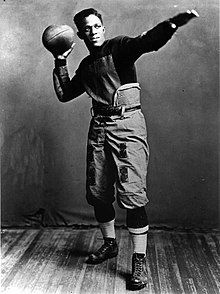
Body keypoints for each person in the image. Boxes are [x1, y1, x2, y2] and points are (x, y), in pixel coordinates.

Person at [52, 7, 198, 290]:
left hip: (128, 125)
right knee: (99, 193)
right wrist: (60, 62)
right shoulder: (84, 66)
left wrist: (172, 24)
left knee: (133, 196)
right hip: (99, 129)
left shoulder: (118, 48)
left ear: (102, 28)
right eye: (86, 29)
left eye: (96, 26)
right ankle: (110, 244)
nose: (92, 32)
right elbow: (65, 94)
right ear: (79, 34)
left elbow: (147, 42)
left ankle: (139, 260)